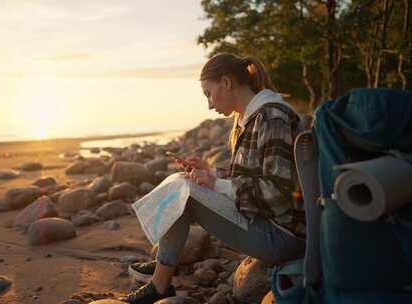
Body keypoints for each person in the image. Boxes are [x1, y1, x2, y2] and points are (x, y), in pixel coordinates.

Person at [118, 53, 306, 304]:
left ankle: (160, 283)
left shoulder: (271, 117)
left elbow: (277, 192)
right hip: (267, 222)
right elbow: (253, 176)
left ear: (227, 83)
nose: (209, 104)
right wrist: (212, 173)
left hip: (283, 237)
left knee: (183, 195)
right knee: (183, 183)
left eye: (208, 93)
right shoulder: (250, 118)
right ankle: (164, 266)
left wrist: (216, 184)